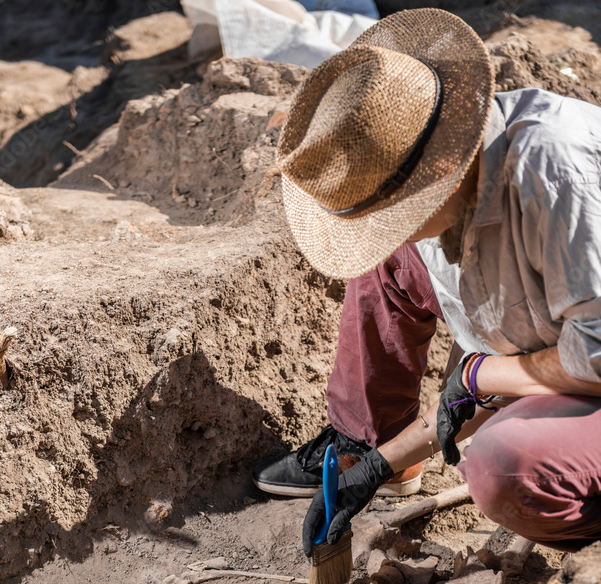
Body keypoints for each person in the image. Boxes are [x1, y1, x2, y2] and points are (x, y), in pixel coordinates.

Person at [252, 7, 601, 556]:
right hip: (556, 349)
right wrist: (377, 463)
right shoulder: (452, 183)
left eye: (389, 217)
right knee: (387, 266)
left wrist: (485, 372)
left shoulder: (555, 174)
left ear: (437, 176)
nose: (383, 234)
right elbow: (478, 391)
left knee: (504, 466)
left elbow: (596, 357)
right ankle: (360, 444)